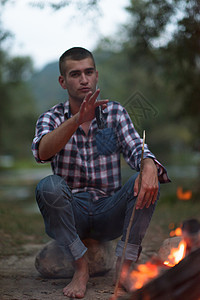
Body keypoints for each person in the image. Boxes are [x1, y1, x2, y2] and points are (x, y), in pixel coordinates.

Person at [32, 47, 170, 299]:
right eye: (75, 74)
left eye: (88, 72)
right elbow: (42, 152)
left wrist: (148, 164)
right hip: (72, 212)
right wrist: (76, 120)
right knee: (48, 186)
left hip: (109, 210)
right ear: (63, 81)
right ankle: (81, 268)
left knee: (145, 178)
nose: (83, 79)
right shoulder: (51, 117)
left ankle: (123, 269)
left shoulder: (114, 113)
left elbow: (135, 148)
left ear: (96, 75)